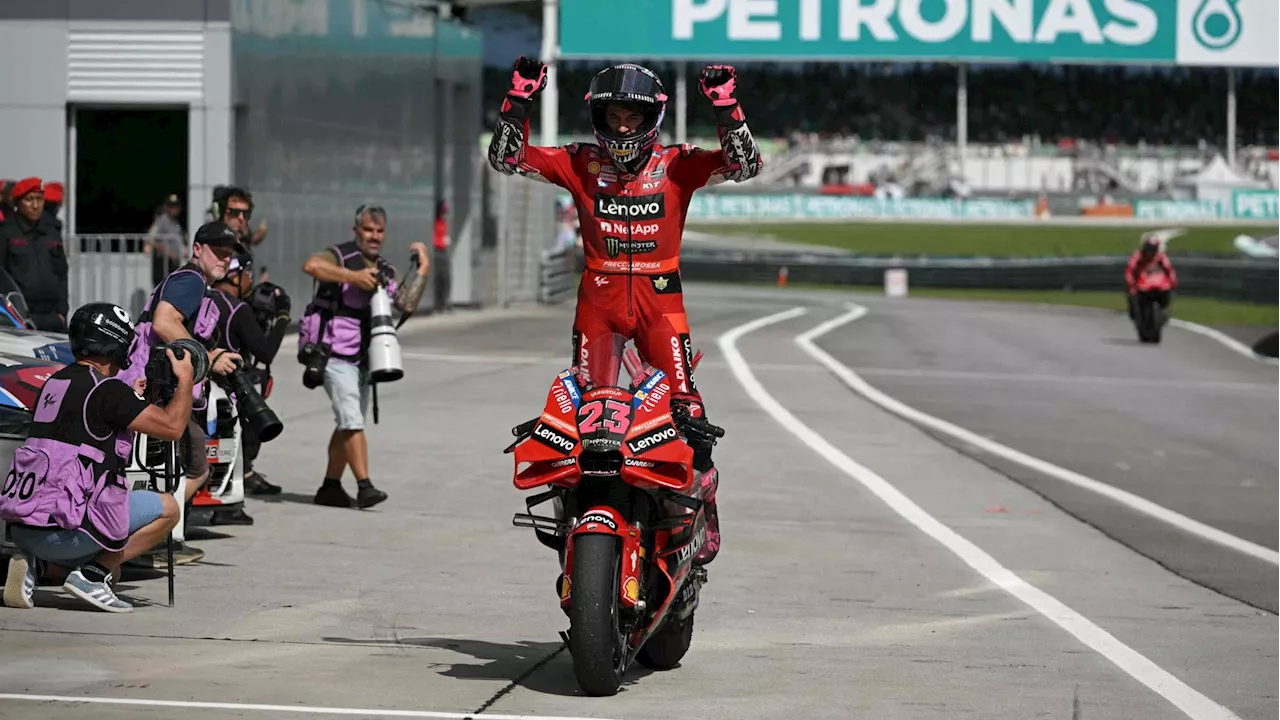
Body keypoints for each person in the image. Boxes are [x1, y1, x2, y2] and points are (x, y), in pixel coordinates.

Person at [486, 58, 763, 565]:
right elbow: (507, 160)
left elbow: (745, 165)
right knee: (589, 421)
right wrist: (518, 100)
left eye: (633, 115)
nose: (623, 125)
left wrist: (726, 105)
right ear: (598, 115)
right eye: (613, 114)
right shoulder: (578, 162)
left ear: (652, 116)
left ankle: (702, 514)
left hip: (662, 309)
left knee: (689, 417)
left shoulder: (679, 163)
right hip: (599, 309)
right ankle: (587, 524)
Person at [1, 303, 195, 613]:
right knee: (168, 509)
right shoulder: (107, 392)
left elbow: (89, 427)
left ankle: (37, 568)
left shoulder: (55, 382)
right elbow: (172, 427)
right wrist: (185, 379)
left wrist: (135, 400)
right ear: (117, 343)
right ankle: (92, 575)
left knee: (115, 574)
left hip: (23, 529)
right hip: (66, 534)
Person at [117, 220, 245, 564]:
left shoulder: (192, 282)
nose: (224, 260)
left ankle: (157, 533)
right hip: (152, 389)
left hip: (153, 386)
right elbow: (164, 322)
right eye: (218, 251)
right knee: (191, 465)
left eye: (229, 255)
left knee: (181, 464)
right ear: (197, 249)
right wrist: (206, 359)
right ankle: (151, 536)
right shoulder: (190, 280)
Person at [299, 204, 428, 509]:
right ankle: (365, 487)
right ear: (356, 230)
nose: (374, 236)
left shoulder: (385, 268)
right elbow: (311, 266)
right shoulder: (339, 255)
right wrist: (353, 277)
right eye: (368, 230)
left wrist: (423, 267)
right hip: (332, 353)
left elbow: (405, 303)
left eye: (379, 231)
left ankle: (329, 487)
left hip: (365, 357)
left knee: (349, 423)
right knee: (352, 420)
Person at [207, 248, 290, 507]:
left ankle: (240, 476)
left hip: (197, 381)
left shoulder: (200, 297)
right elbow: (264, 351)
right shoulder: (237, 308)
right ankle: (235, 491)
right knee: (256, 413)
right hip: (224, 388)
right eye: (248, 274)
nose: (251, 281)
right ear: (234, 275)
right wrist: (283, 318)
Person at [0, 177, 69, 332]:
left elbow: (62, 273)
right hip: (21, 315)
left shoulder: (51, 232)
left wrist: (62, 312)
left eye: (39, 199)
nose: (35, 205)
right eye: (29, 200)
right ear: (18, 203)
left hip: (53, 316)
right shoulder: (6, 232)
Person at [1126, 233, 1178, 320]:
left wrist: (1173, 282)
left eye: (1152, 249)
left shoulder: (1160, 257)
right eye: (1148, 249)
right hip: (1141, 284)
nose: (1150, 252)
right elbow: (1130, 270)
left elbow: (1169, 269)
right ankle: (1135, 312)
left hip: (1158, 284)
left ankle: (1163, 310)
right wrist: (1131, 284)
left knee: (1168, 293)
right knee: (1131, 295)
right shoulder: (1138, 256)